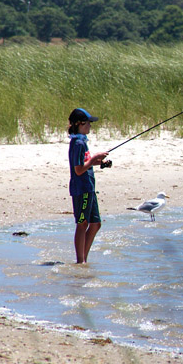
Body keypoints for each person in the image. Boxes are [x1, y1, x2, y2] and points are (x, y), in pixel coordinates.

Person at [67, 108, 109, 264]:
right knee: (82, 223)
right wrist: (94, 159)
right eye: (88, 123)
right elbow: (78, 170)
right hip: (81, 189)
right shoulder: (77, 143)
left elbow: (85, 163)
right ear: (80, 123)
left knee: (96, 224)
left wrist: (100, 162)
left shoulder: (82, 141)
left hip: (89, 187)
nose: (91, 126)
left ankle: (84, 259)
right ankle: (80, 261)